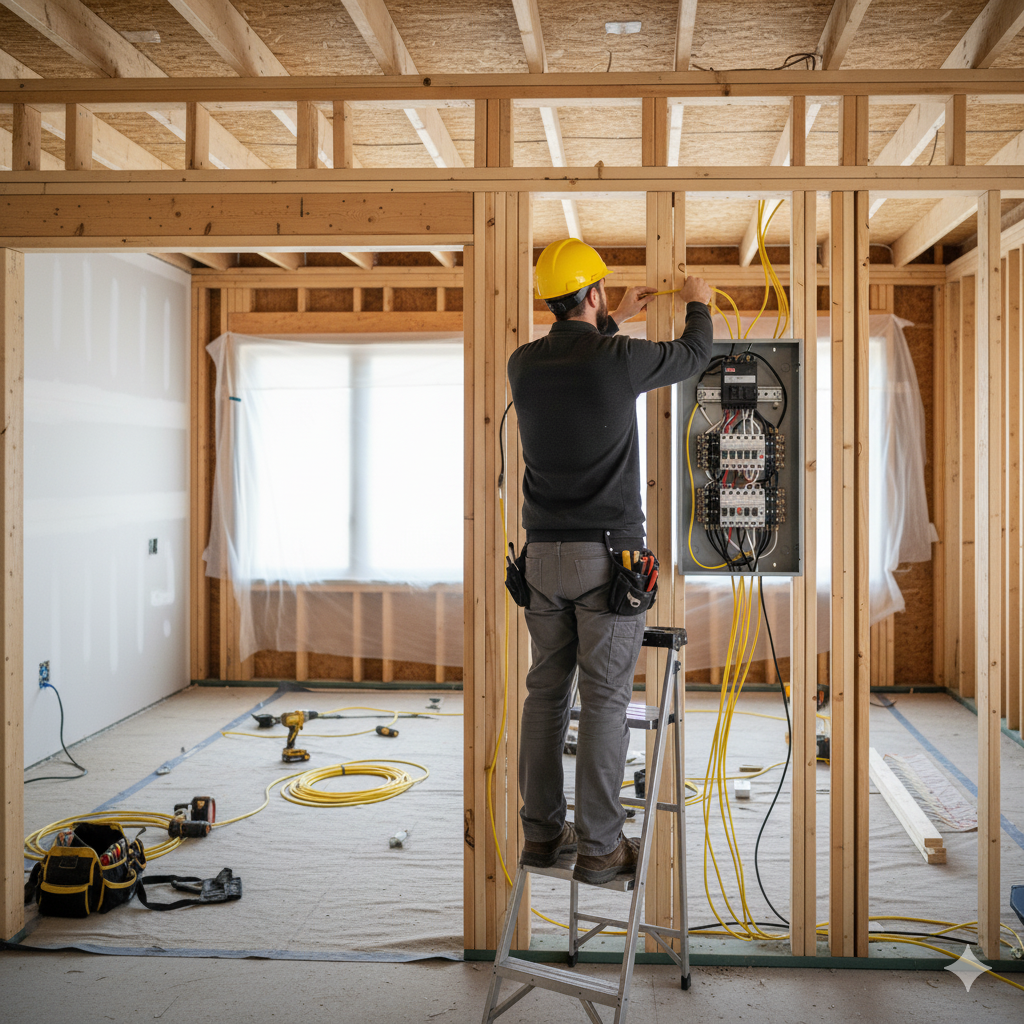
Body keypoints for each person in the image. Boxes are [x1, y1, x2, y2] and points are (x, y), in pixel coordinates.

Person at [507, 238, 713, 885]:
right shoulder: (618, 359)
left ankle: (543, 835)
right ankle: (600, 847)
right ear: (592, 293)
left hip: (540, 559)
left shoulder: (523, 364)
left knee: (546, 694)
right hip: (607, 561)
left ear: (551, 300)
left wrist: (614, 316)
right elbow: (693, 355)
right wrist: (699, 304)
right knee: (603, 699)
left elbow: (581, 366)